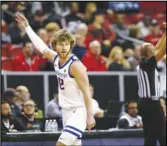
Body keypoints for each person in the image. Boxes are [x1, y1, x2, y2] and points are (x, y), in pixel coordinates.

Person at [15, 12, 95, 146]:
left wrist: (89, 115)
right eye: (61, 44)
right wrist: (27, 27)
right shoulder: (56, 58)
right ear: (55, 45)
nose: (64, 47)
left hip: (78, 112)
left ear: (70, 45)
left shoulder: (76, 66)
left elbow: (87, 92)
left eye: (66, 44)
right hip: (65, 112)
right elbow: (41, 47)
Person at [137, 22, 166, 146]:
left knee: (150, 138)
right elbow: (162, 51)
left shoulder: (144, 63)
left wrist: (164, 33)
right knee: (162, 136)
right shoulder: (147, 64)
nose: (155, 49)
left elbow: (158, 48)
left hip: (147, 103)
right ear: (149, 54)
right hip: (151, 104)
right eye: (152, 49)